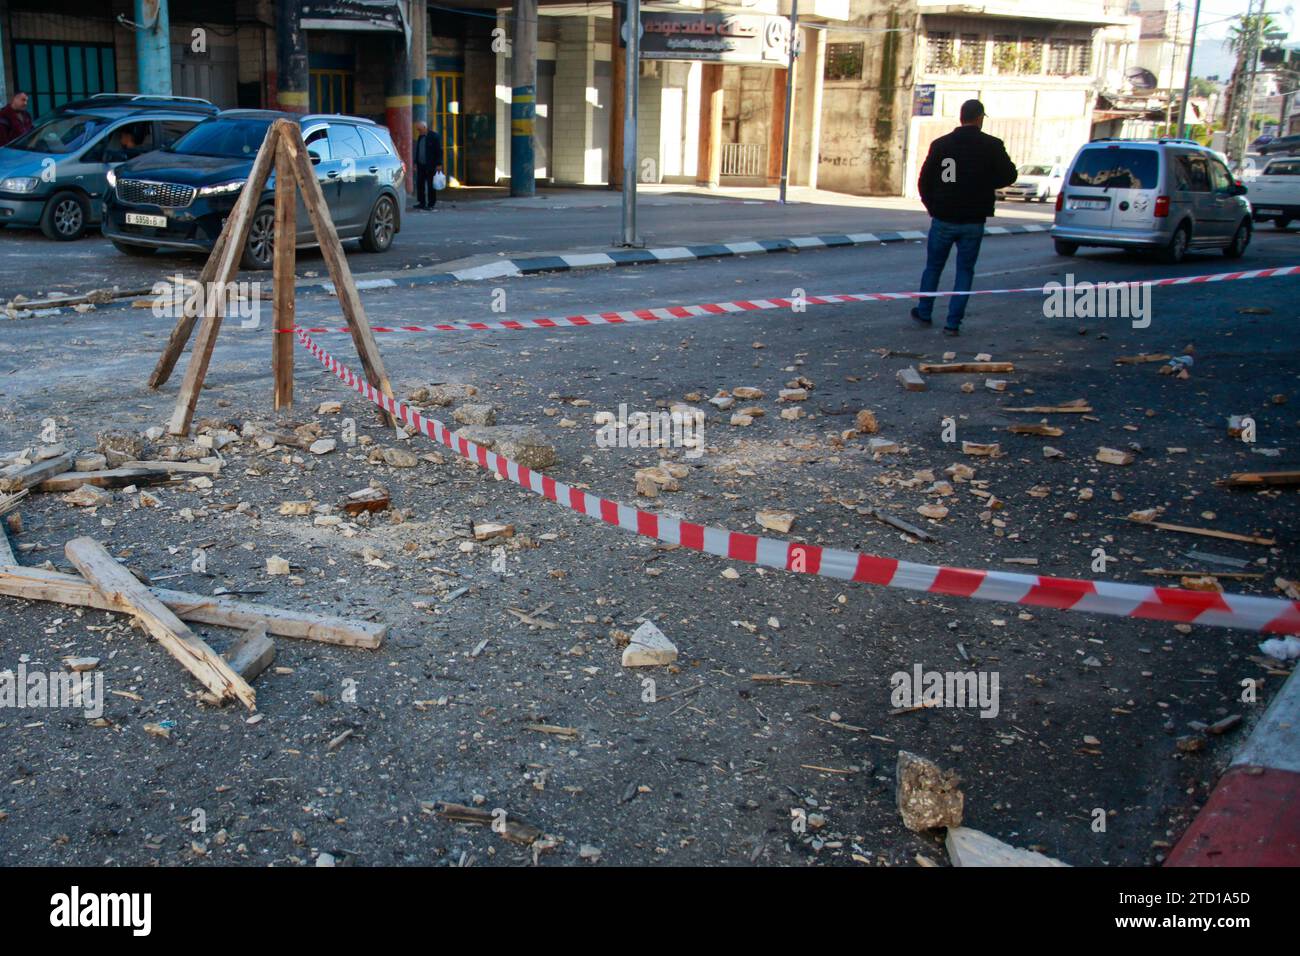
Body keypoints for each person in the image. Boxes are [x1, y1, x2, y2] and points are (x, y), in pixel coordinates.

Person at [912, 99, 1017, 336]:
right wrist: (986, 182)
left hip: (944, 218)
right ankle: (953, 323)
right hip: (973, 220)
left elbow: (925, 181)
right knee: (965, 271)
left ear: (961, 117)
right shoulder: (992, 145)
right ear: (979, 117)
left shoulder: (942, 145)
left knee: (933, 267)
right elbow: (1009, 175)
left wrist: (933, 207)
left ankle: (925, 310)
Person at [413, 121, 443, 211]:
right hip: (421, 165)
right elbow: (418, 150)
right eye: (418, 130)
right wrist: (415, 162)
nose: (419, 131)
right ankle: (421, 202)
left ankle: (431, 203)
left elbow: (439, 151)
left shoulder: (434, 136)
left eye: (420, 129)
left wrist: (439, 164)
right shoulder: (420, 137)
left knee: (430, 185)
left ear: (425, 127)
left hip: (431, 165)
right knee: (420, 184)